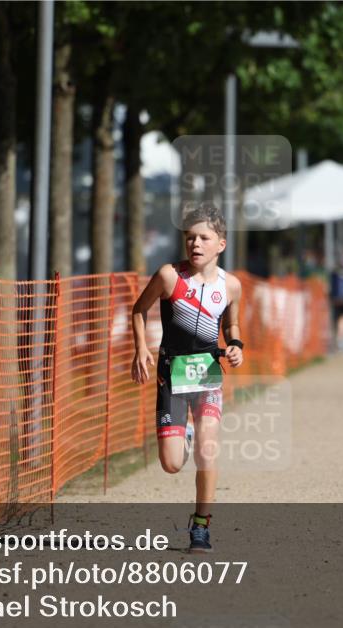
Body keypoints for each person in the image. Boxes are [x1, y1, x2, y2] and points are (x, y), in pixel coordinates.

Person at [131, 203, 243, 553]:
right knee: (171, 463)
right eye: (189, 238)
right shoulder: (169, 276)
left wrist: (236, 344)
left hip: (208, 373)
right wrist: (141, 349)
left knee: (208, 453)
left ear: (220, 244)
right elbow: (138, 309)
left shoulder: (232, 286)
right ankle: (186, 433)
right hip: (173, 374)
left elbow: (231, 323)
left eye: (204, 238)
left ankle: (201, 526)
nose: (195, 244)